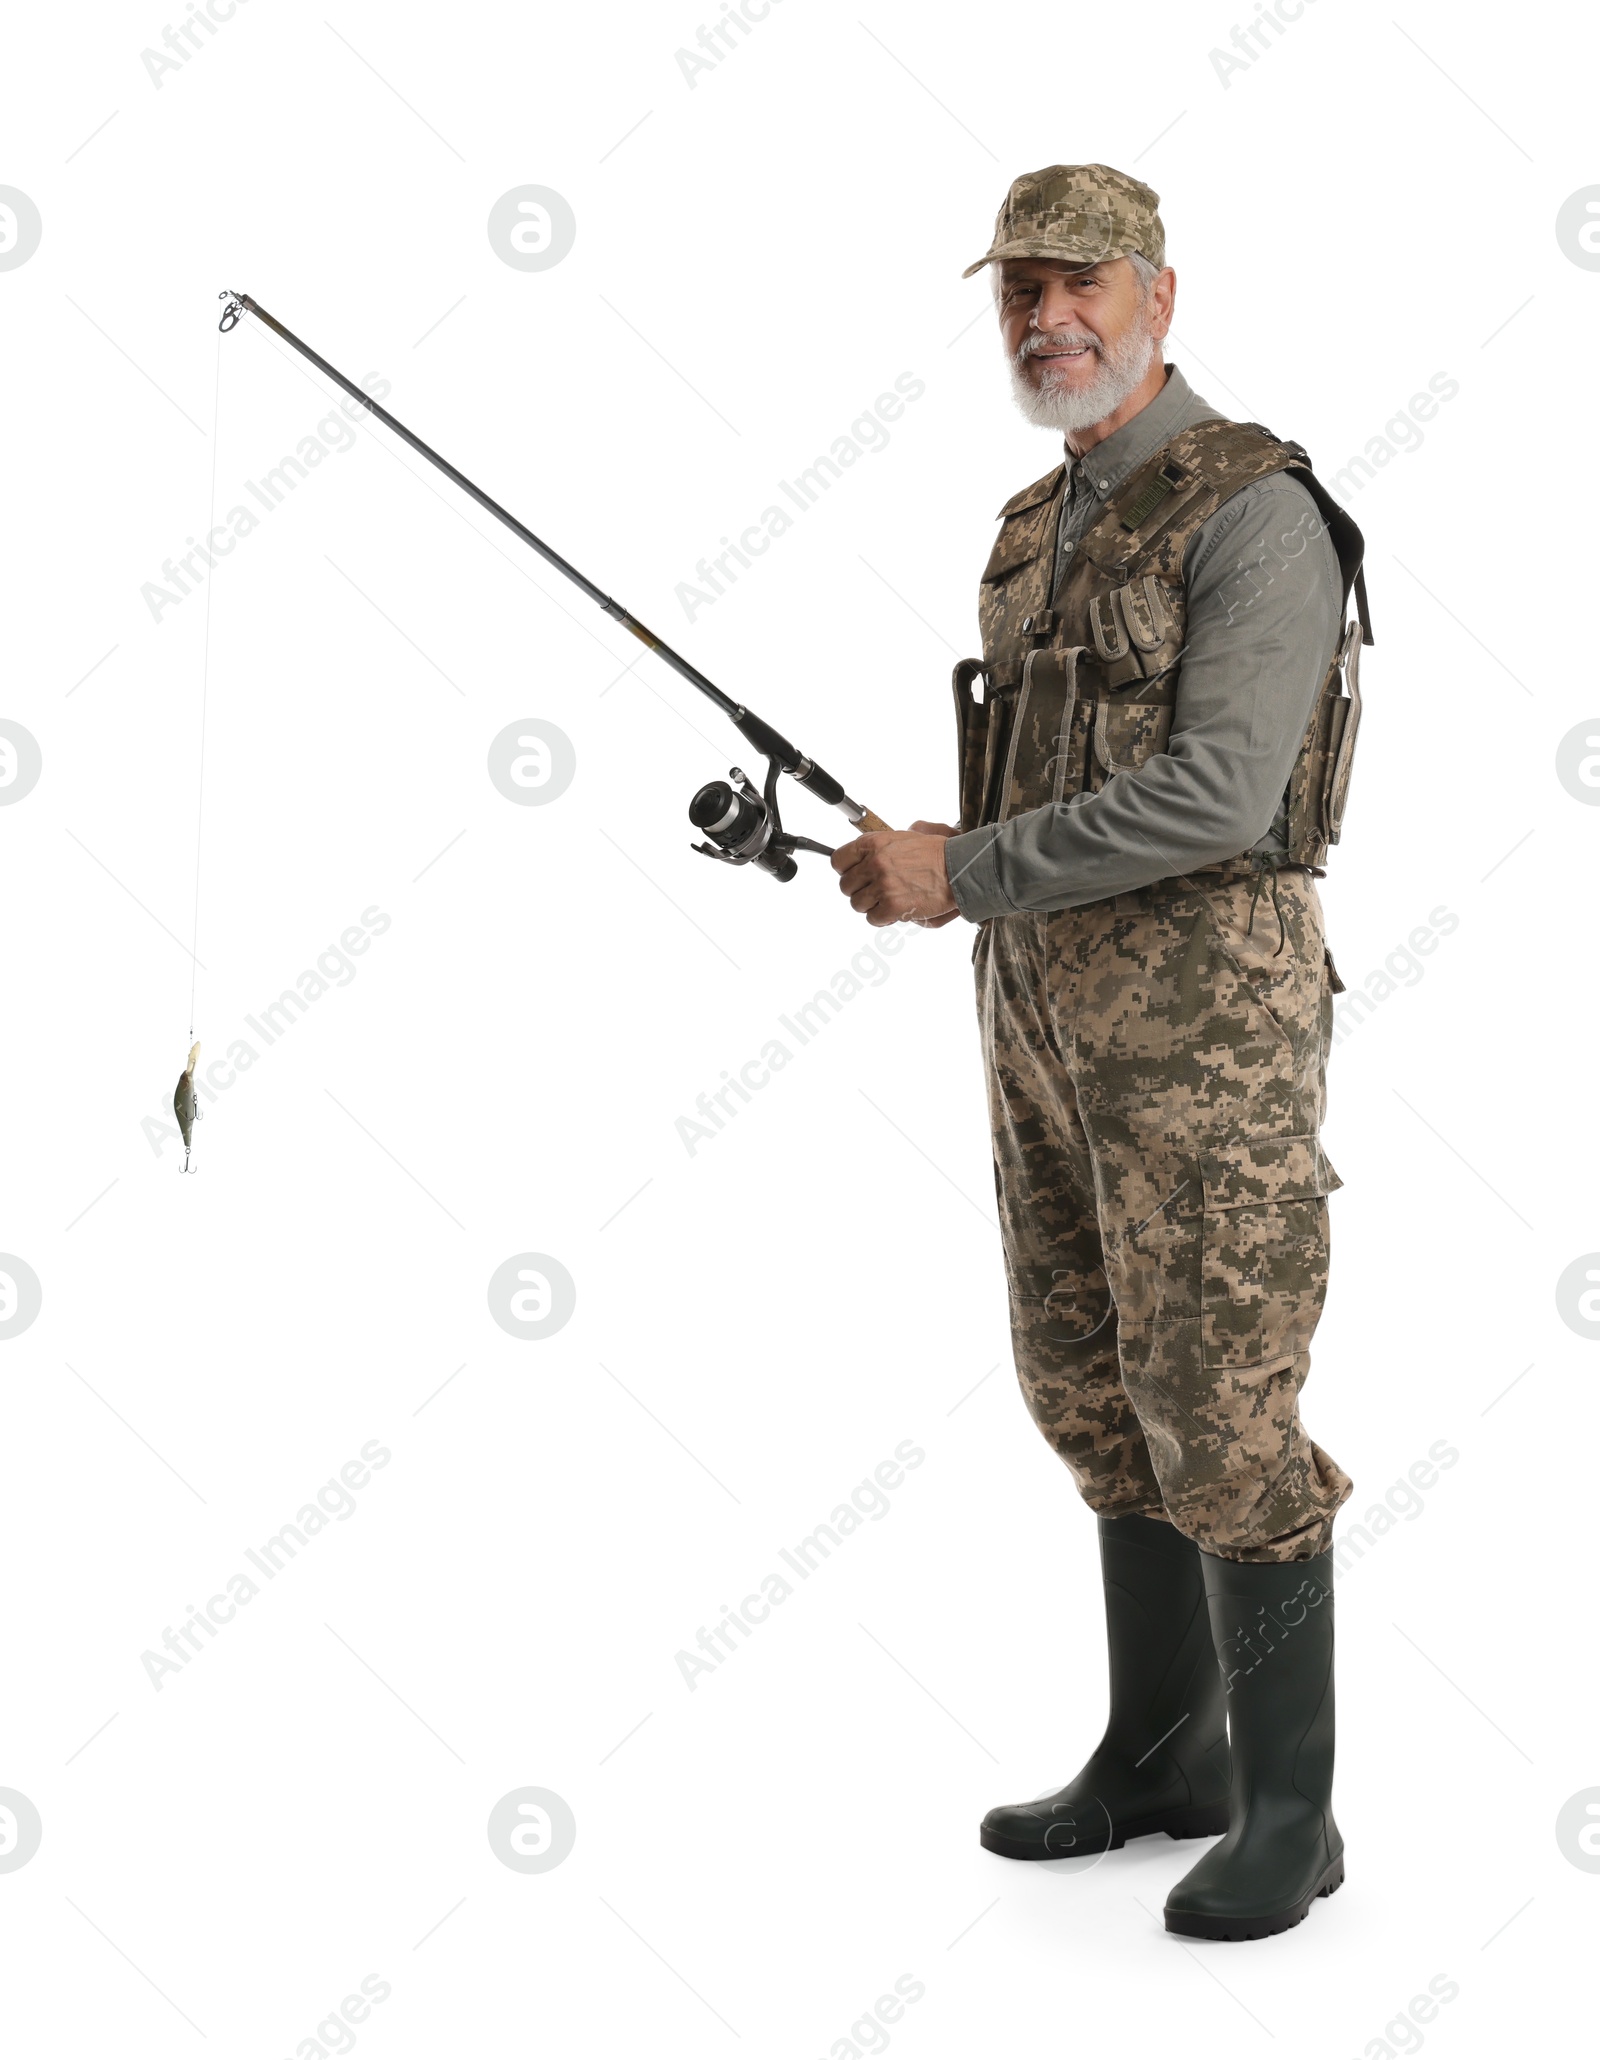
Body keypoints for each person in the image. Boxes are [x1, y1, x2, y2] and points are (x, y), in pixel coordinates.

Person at [831, 162, 1370, 1942]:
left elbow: (1219, 794)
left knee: (1221, 1406)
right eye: (1020, 294)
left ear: (1158, 293)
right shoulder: (1032, 521)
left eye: (1083, 286)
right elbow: (1048, 784)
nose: (1048, 319)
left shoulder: (1258, 513)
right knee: (1086, 1385)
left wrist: (963, 870)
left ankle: (1293, 1813)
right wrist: (926, 857)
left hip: (1206, 1039)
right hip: (1043, 1026)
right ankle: (1163, 1760)